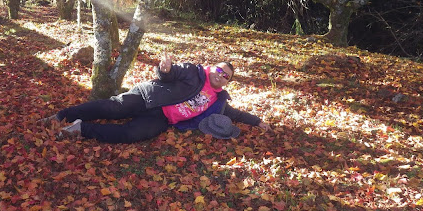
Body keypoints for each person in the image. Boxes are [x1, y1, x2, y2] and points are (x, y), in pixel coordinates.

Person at [47, 53, 272, 143]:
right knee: (112, 108)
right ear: (212, 68)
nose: (221, 77)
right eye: (220, 71)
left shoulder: (219, 100)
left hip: (163, 119)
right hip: (149, 97)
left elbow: (235, 114)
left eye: (227, 77)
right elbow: (171, 73)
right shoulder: (194, 72)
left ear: (227, 83)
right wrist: (165, 69)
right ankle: (62, 115)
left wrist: (257, 121)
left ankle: (80, 129)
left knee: (132, 134)